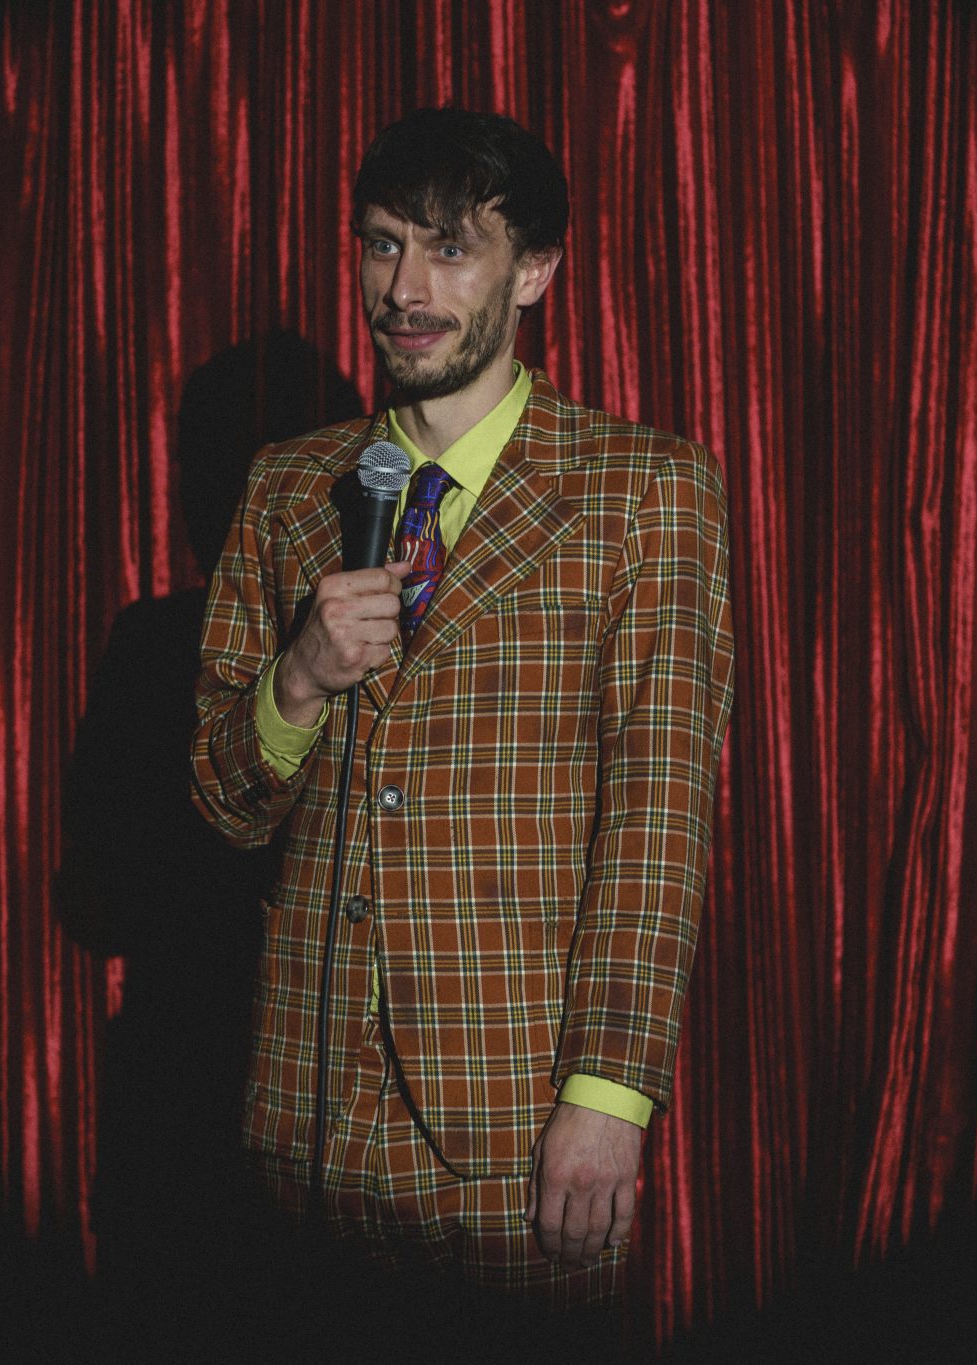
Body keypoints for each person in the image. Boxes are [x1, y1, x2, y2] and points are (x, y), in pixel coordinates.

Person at [189, 107, 735, 1309]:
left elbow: (656, 821)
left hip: (513, 1124)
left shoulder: (643, 489)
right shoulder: (287, 487)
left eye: (449, 248)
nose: (405, 289)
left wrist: (607, 1099)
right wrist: (296, 679)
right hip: (304, 1123)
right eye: (382, 244)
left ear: (532, 270)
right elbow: (223, 808)